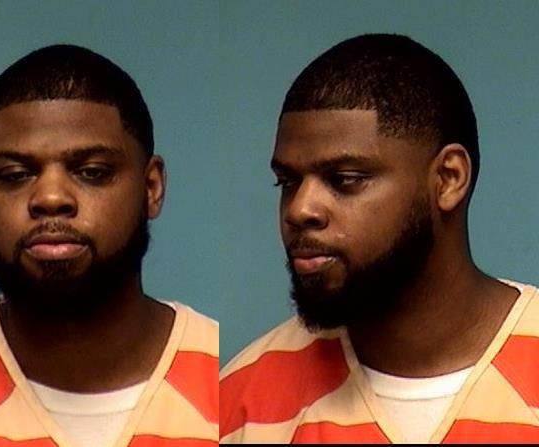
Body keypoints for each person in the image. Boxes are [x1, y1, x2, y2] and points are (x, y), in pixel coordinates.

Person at [220, 33, 539, 444]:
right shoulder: (242, 405)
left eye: (345, 179)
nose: (299, 209)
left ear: (448, 179)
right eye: (288, 181)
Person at [0, 44, 218, 447]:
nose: (50, 198)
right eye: (14, 174)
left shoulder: (228, 379)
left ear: (151, 187)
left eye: (92, 171)